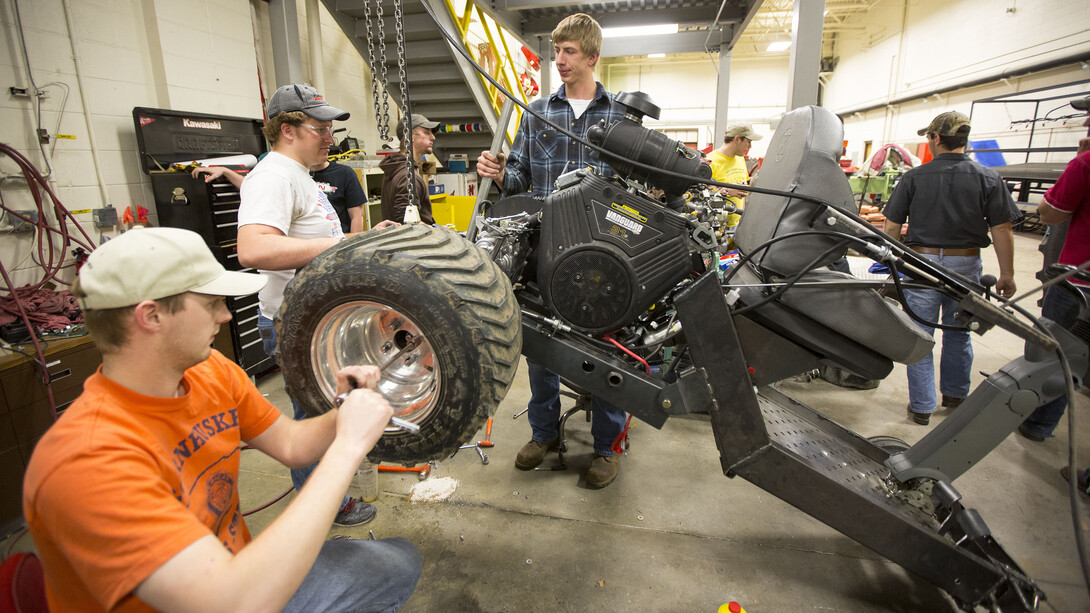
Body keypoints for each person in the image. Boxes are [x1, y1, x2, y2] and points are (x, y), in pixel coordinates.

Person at [23, 227, 421, 613]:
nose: (226, 315)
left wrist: (343, 412)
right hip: (231, 597)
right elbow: (234, 603)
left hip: (237, 575)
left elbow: (291, 445)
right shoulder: (85, 464)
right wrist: (348, 449)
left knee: (397, 562)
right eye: (211, 302)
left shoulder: (209, 370)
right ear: (151, 316)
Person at [476, 13, 628, 489]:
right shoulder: (539, 111)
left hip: (605, 250)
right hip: (544, 244)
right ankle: (544, 434)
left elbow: (636, 187)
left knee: (609, 347)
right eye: (555, 52)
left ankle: (607, 446)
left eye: (569, 52)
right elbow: (520, 178)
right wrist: (501, 174)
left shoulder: (620, 116)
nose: (559, 61)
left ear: (592, 57)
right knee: (540, 346)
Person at [236, 83, 394, 525]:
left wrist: (360, 241)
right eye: (319, 128)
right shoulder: (273, 177)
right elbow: (253, 249)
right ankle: (320, 507)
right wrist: (346, 241)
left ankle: (327, 495)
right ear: (287, 129)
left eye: (330, 129)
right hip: (295, 323)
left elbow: (314, 242)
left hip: (316, 319)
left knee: (327, 406)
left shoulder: (298, 174)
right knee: (315, 412)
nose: (330, 137)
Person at [883, 110, 1018, 426]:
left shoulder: (914, 177)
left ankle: (922, 407)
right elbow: (1002, 229)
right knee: (960, 331)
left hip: (921, 264)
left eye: (928, 137)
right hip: (966, 264)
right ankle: (955, 395)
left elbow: (891, 226)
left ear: (936, 139)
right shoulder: (988, 177)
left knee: (921, 334)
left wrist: (889, 265)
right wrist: (1008, 273)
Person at [1017, 97, 1090, 442]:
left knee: (1056, 355)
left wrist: (1079, 160)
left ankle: (1037, 424)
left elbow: (1050, 213)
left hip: (1078, 284)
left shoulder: (1085, 164)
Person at [380, 113, 438, 224]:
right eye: (426, 132)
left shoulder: (397, 168)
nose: (433, 137)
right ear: (409, 136)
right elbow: (409, 224)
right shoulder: (407, 176)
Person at [707, 122, 762, 229]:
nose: (750, 146)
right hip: (715, 228)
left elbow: (743, 192)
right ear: (737, 139)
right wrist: (728, 191)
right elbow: (698, 195)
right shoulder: (710, 162)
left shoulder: (740, 159)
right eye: (748, 142)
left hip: (737, 226)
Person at [313, 158, 368, 233]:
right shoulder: (297, 174)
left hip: (341, 240)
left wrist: (354, 241)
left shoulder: (345, 173)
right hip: (307, 241)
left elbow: (357, 216)